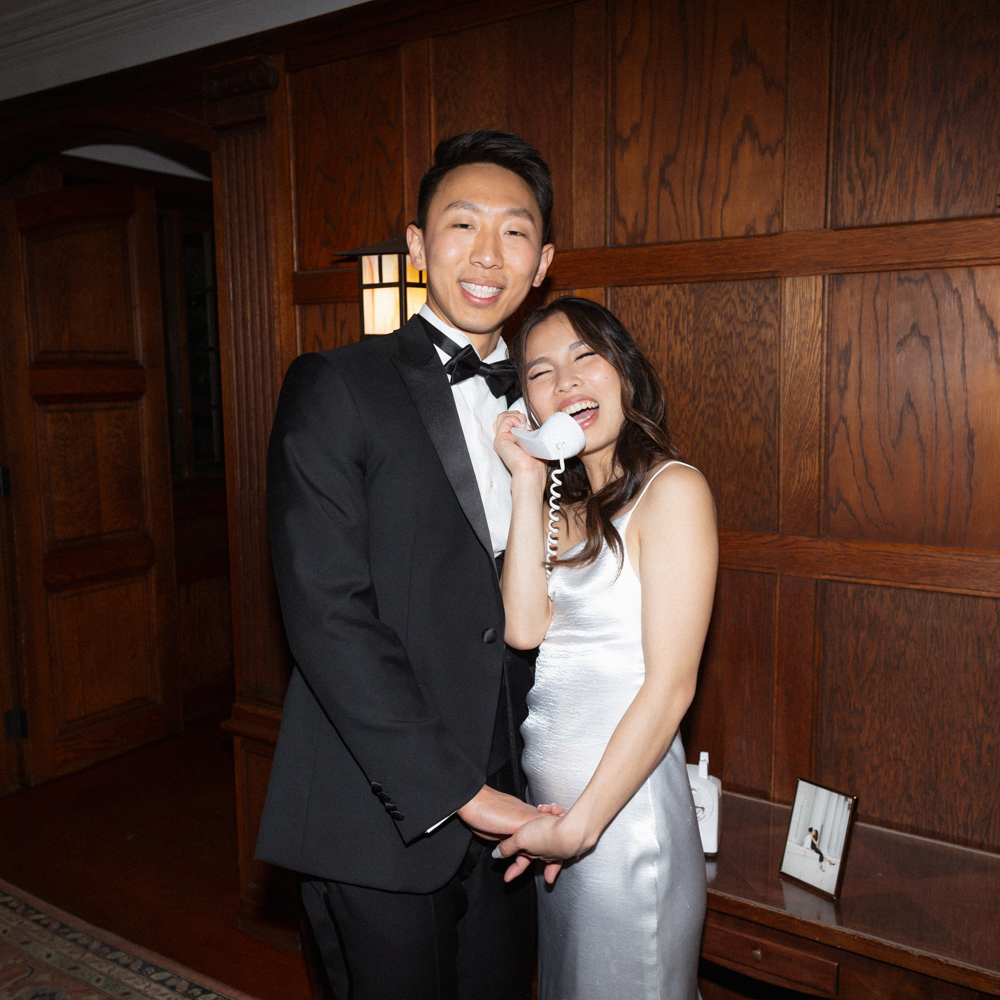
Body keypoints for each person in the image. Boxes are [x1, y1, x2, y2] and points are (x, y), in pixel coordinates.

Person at [256, 130, 559, 1000]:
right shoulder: (336, 384)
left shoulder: (556, 403)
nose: (487, 254)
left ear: (543, 261)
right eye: (463, 225)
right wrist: (461, 791)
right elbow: (326, 612)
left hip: (516, 806)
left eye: (514, 232)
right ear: (419, 245)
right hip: (380, 807)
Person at [493, 297, 718, 1000]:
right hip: (557, 824)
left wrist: (581, 829)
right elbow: (525, 629)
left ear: (623, 369)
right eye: (540, 372)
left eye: (585, 357)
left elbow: (671, 687)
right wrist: (529, 477)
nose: (566, 384)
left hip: (621, 830)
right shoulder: (565, 508)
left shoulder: (672, 490)